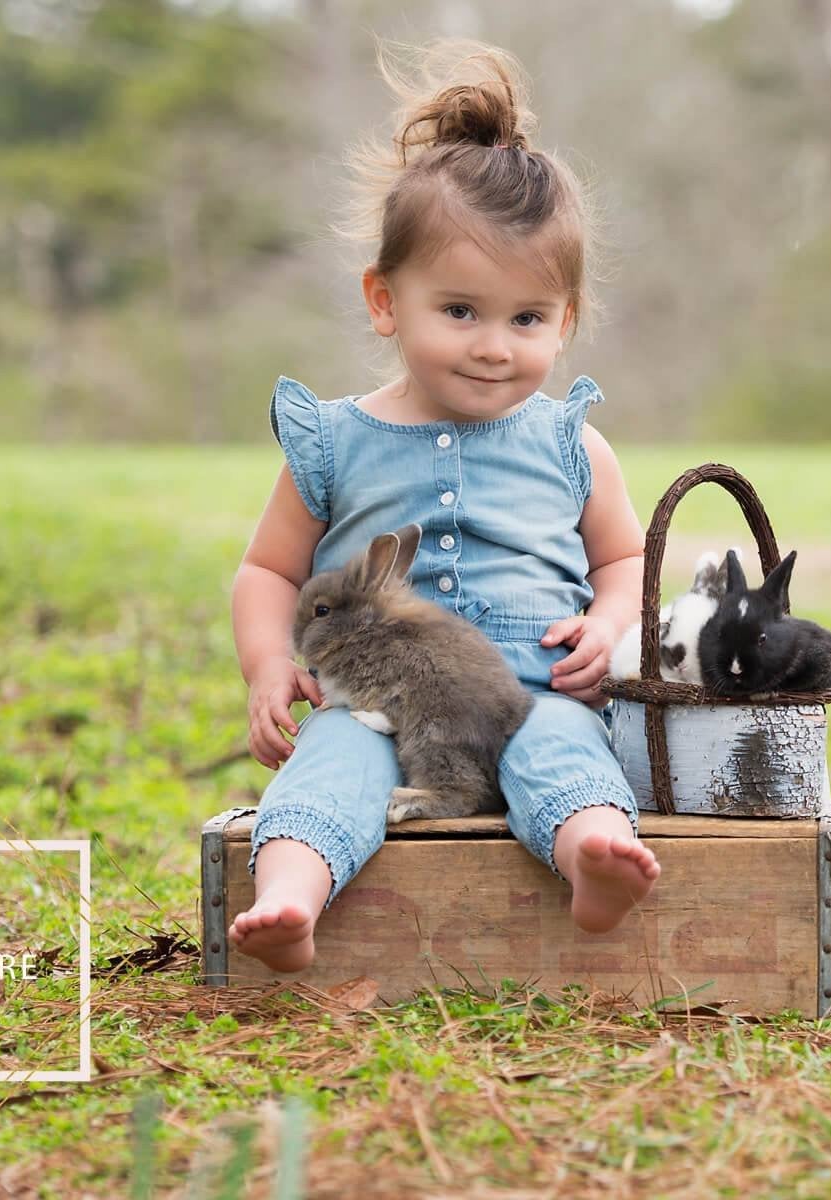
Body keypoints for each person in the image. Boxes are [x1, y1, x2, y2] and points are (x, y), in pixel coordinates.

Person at [225, 41, 658, 973]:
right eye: (460, 310)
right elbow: (268, 568)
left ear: (566, 319)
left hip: (529, 691)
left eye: (527, 319)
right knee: (332, 770)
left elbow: (626, 561)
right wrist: (269, 666)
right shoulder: (335, 441)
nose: (495, 346)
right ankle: (290, 899)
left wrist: (610, 621)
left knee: (566, 761)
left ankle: (591, 856)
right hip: (373, 701)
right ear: (386, 301)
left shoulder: (570, 443)